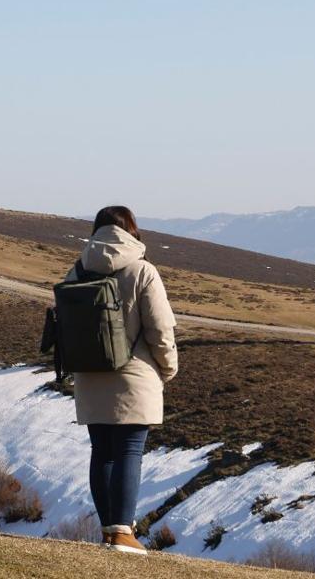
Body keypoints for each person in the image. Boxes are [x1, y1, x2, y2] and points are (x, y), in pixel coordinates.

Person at [65, 205, 178, 554]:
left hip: (89, 374)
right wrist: (168, 366)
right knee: (130, 449)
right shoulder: (143, 271)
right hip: (134, 376)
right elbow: (160, 328)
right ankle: (123, 533)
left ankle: (109, 532)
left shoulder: (78, 270)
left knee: (102, 452)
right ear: (131, 230)